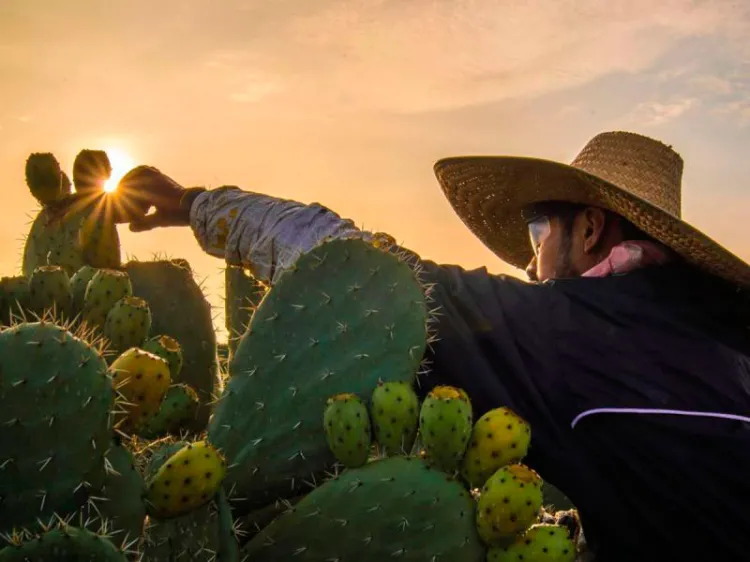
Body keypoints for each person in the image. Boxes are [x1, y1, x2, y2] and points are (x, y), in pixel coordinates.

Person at [54, 131, 750, 560]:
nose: (529, 263)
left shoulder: (564, 334)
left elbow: (364, 271)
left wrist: (194, 205)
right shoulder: (730, 346)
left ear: (592, 230)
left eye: (539, 231)